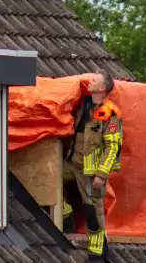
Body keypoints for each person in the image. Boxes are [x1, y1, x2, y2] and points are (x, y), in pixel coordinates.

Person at [62, 72, 123, 262]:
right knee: (47, 179)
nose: (90, 81)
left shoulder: (111, 113)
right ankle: (66, 213)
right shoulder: (84, 104)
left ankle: (96, 252)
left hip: (91, 170)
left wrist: (101, 174)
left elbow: (113, 146)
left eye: (95, 80)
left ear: (102, 88)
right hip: (72, 162)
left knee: (92, 210)